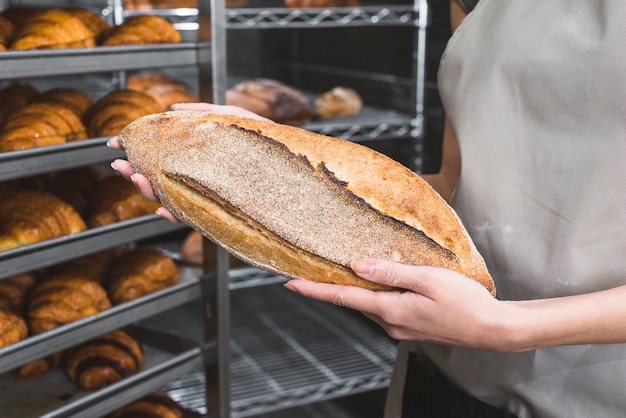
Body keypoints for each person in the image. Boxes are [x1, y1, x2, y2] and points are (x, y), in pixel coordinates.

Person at [109, 0, 626, 416]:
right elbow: (457, 180)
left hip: (586, 386)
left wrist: (508, 329)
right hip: (441, 355)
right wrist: (258, 177)